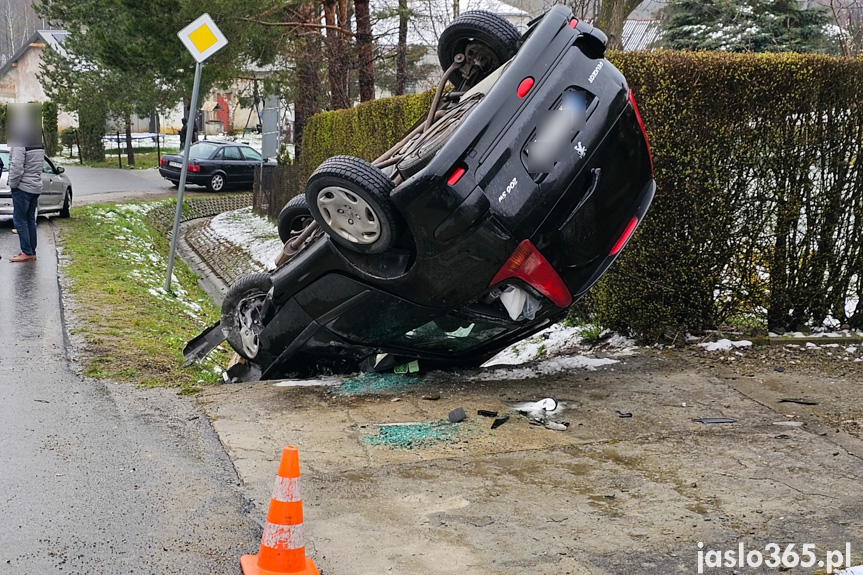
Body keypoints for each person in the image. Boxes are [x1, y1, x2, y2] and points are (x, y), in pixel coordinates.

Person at [8, 137, 44, 263]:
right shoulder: (38, 143)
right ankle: (31, 251)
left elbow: (16, 166)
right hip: (35, 186)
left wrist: (12, 184)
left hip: (22, 187)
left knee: (19, 219)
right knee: (30, 219)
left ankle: (26, 252)